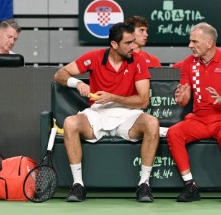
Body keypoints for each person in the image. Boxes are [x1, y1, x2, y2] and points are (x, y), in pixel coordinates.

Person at [53, 22, 160, 203]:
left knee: (152, 123)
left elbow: (143, 100)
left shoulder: (138, 60)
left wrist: (113, 97)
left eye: (134, 42)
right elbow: (60, 75)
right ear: (114, 45)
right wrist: (78, 83)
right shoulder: (94, 57)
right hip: (98, 114)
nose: (133, 47)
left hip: (129, 115)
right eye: (128, 43)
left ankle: (144, 184)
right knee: (70, 123)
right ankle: (78, 185)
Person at [166, 22, 221, 203]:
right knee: (174, 132)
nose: (190, 45)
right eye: (190, 41)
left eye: (194, 41)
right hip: (200, 120)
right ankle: (190, 186)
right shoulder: (188, 63)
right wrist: (181, 97)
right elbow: (184, 98)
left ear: (209, 43)